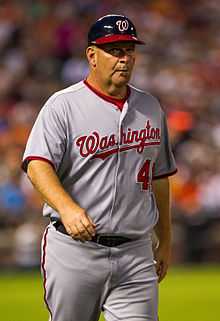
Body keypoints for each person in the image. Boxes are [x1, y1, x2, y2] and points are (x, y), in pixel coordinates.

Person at [22, 14, 177, 321]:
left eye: (129, 50)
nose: (125, 58)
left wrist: (166, 240)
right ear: (92, 56)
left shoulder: (150, 108)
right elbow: (37, 164)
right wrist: (66, 208)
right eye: (115, 50)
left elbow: (158, 178)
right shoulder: (63, 105)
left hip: (135, 251)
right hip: (75, 249)